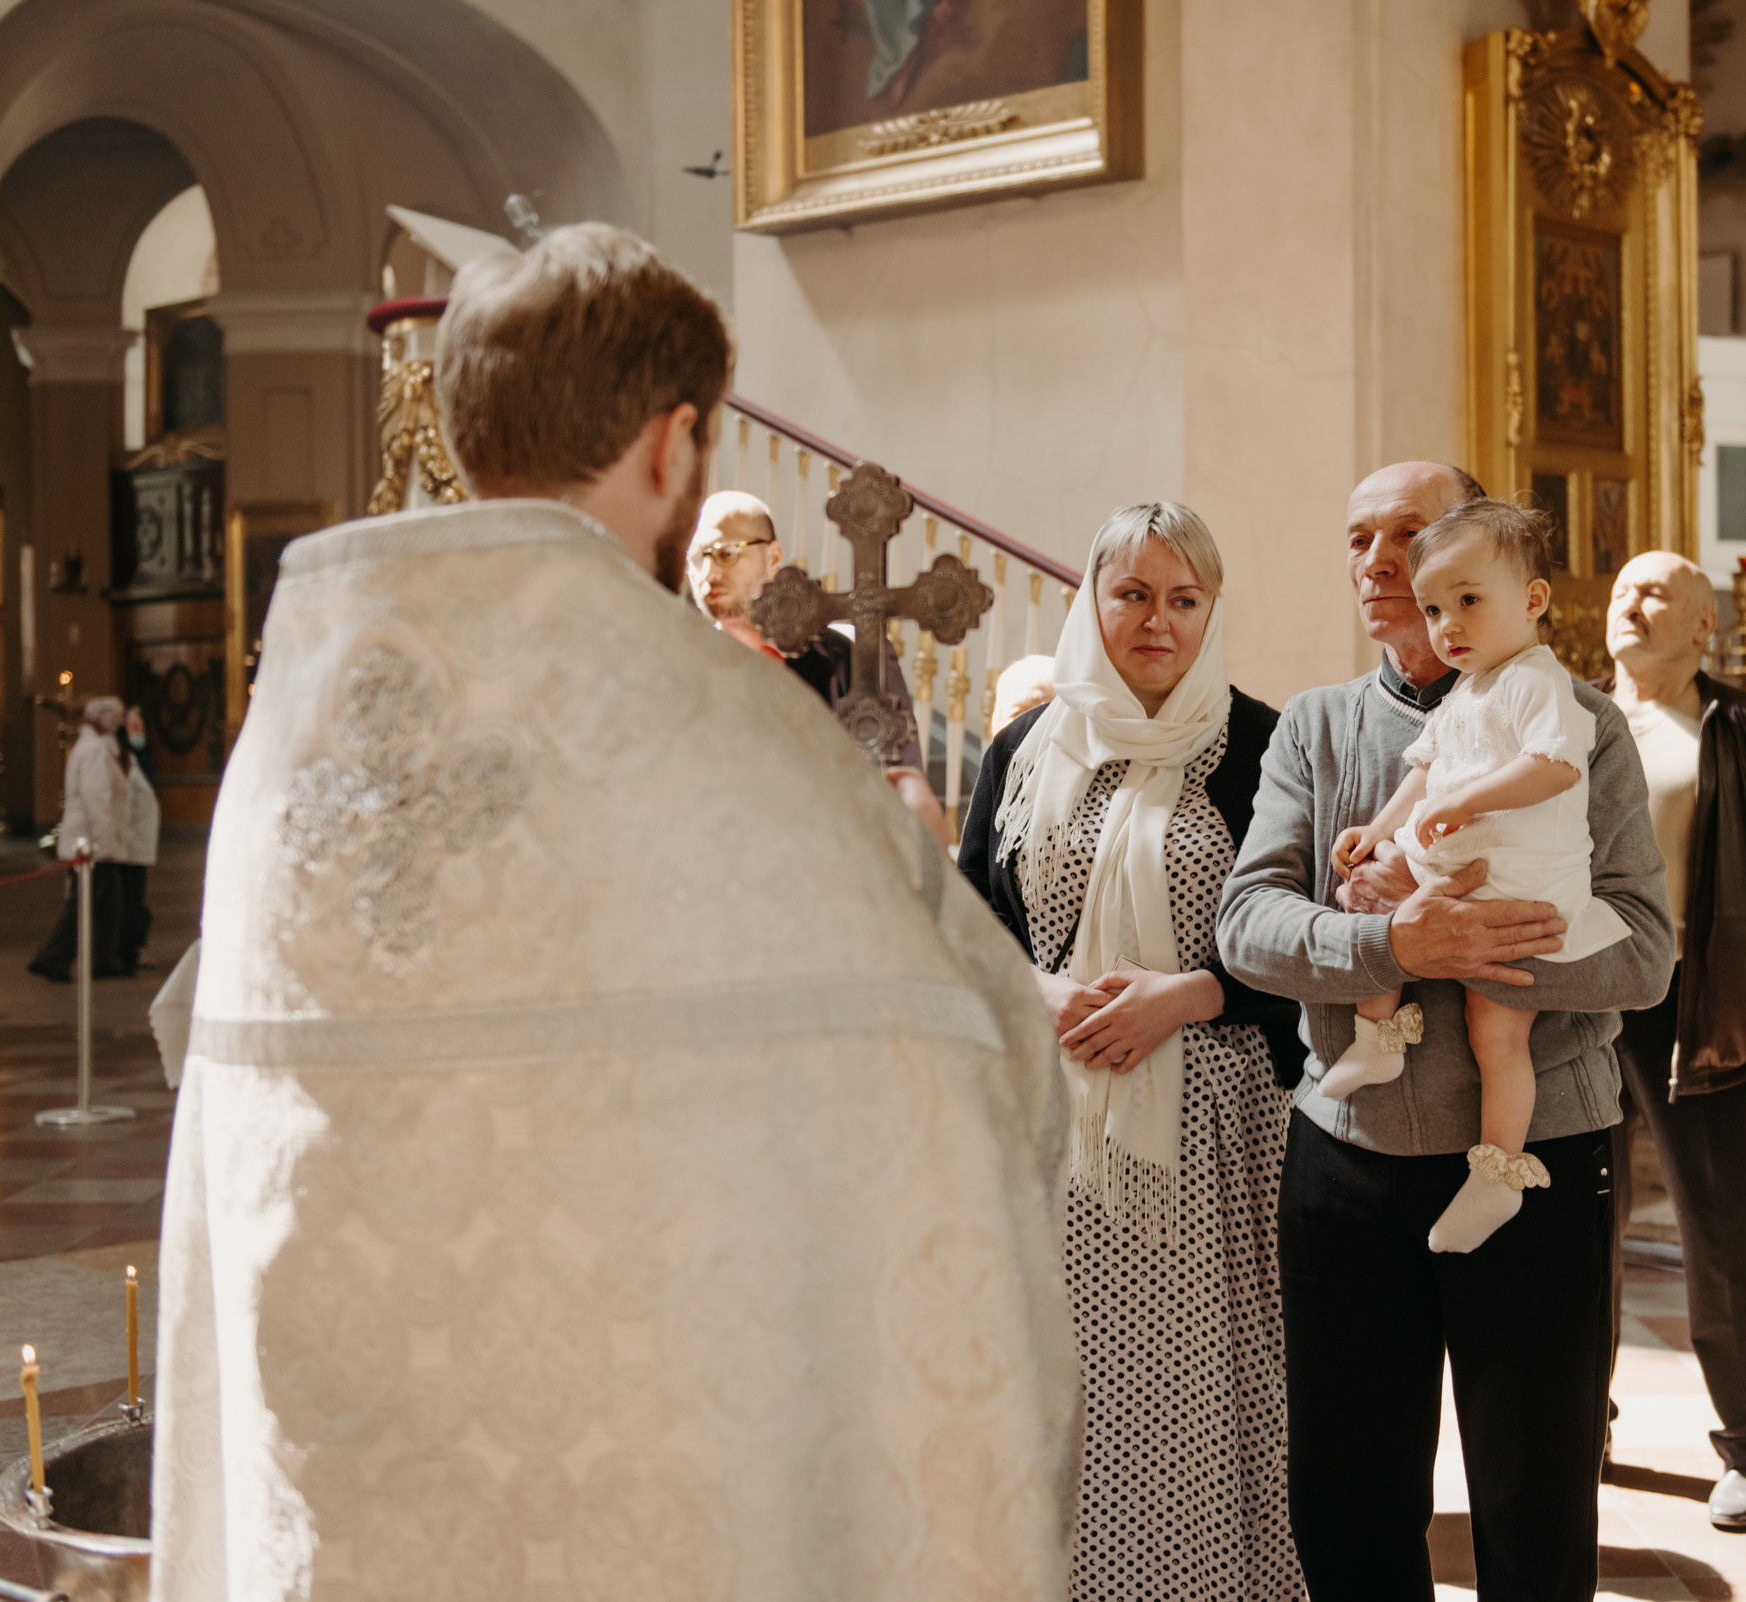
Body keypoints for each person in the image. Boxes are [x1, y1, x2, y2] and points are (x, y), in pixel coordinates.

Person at [150, 223, 1082, 1601]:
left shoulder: (296, 738)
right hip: (672, 1491)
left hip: (357, 1500)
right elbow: (974, 1052)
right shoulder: (730, 735)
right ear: (674, 443)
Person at [1218, 460, 1675, 1602]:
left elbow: (1646, 949)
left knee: (1534, 1500)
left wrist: (1483, 947)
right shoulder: (1317, 729)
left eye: (1408, 536)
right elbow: (1248, 924)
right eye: (1360, 539)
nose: (1381, 563)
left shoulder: (1581, 724)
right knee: (1350, 1494)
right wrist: (1388, 950)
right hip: (1351, 1159)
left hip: (1540, 1163)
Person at [957, 502, 1306, 1601]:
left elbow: (1310, 940)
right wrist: (1045, 986)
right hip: (1058, 1127)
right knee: (1067, 1385)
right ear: (1092, 602)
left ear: (1211, 610)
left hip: (1216, 1128)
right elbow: (969, 930)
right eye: (1133, 594)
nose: (1158, 620)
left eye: (1184, 598)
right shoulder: (1026, 745)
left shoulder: (1263, 743)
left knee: (1201, 1385)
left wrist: (1191, 996)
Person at [1328, 499, 1631, 1254]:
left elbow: (1554, 766)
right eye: (1434, 609)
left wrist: (1467, 798)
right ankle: (1379, 1035)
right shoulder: (1468, 689)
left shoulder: (1535, 679)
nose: (1448, 626)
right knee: (1378, 901)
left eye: (1468, 602)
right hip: (1462, 860)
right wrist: (1379, 826)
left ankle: (1496, 1173)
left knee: (1496, 1032)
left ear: (1532, 600)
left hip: (1518, 887)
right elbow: (1423, 770)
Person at [1602, 551, 1746, 1534]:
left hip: (1701, 1007)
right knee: (1566, 1234)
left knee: (1725, 1234)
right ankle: (1578, 1422)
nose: (1634, 601)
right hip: (1571, 1007)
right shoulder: (1565, 721)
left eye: (1659, 591)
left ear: (1705, 627)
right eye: (1623, 589)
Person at [685, 489, 944, 837]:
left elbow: (895, 781)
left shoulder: (847, 656)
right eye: (697, 558)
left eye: (726, 554)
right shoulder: (684, 661)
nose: (709, 573)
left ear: (773, 556)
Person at [27, 697, 130, 983]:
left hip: (94, 842)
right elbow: (98, 800)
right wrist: (104, 844)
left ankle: (104, 959)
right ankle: (51, 959)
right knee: (83, 905)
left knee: (109, 904)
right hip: (92, 844)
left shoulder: (96, 749)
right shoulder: (95, 751)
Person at [117, 704, 160, 972]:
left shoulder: (139, 758)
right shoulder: (123, 759)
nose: (139, 732)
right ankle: (125, 952)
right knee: (129, 903)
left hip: (138, 845)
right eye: (134, 727)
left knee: (134, 900)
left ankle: (131, 950)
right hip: (127, 846)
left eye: (141, 727)